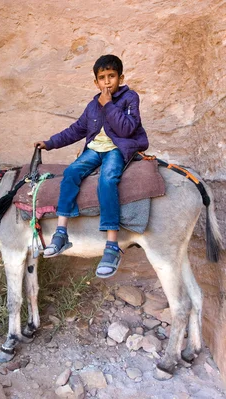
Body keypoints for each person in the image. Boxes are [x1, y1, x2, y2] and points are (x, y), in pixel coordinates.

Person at [34, 54, 149, 278]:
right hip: (95, 149)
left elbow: (127, 129)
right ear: (96, 82)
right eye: (102, 78)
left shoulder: (129, 98)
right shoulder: (92, 105)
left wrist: (108, 106)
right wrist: (50, 143)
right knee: (71, 172)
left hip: (117, 149)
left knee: (107, 180)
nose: (107, 82)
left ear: (121, 77)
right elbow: (76, 130)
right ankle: (61, 232)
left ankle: (112, 245)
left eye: (112, 77)